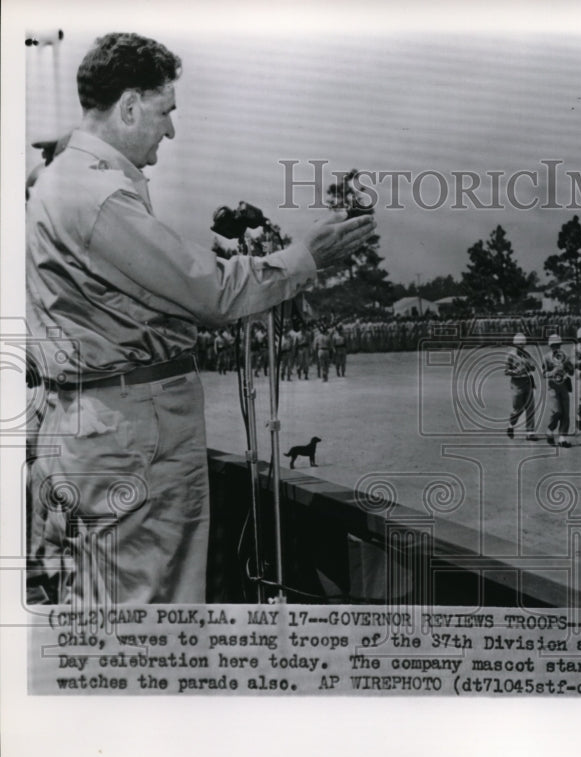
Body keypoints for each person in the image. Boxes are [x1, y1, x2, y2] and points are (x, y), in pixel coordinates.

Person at [26, 32, 375, 604]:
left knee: (105, 607)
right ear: (131, 106)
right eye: (165, 112)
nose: (170, 130)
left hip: (95, 426)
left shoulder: (59, 180)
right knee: (151, 615)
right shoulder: (98, 196)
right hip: (131, 434)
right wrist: (302, 259)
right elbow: (208, 292)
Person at [505, 333, 538, 440]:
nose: (521, 347)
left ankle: (530, 432)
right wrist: (516, 372)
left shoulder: (526, 355)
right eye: (519, 345)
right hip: (516, 383)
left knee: (530, 407)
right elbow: (506, 371)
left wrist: (530, 367)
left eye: (523, 345)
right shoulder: (510, 355)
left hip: (527, 381)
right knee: (517, 409)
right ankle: (511, 425)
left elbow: (533, 367)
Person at [543, 334, 574, 447]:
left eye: (557, 345)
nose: (556, 348)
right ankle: (550, 430)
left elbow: (571, 372)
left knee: (566, 412)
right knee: (557, 411)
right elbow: (544, 374)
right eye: (553, 346)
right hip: (553, 386)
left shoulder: (565, 355)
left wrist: (568, 367)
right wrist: (553, 371)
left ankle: (562, 438)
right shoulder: (546, 357)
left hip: (564, 385)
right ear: (550, 346)